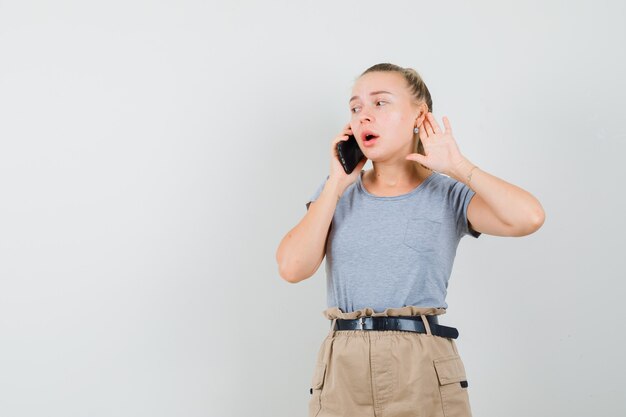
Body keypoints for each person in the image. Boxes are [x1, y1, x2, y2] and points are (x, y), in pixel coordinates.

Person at [275, 63, 545, 417]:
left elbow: (529, 217)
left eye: (380, 103)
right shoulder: (335, 194)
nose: (363, 117)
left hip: (421, 362)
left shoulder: (449, 194)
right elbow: (292, 268)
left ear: (420, 115)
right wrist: (335, 185)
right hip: (343, 365)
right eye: (355, 108)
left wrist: (458, 166)